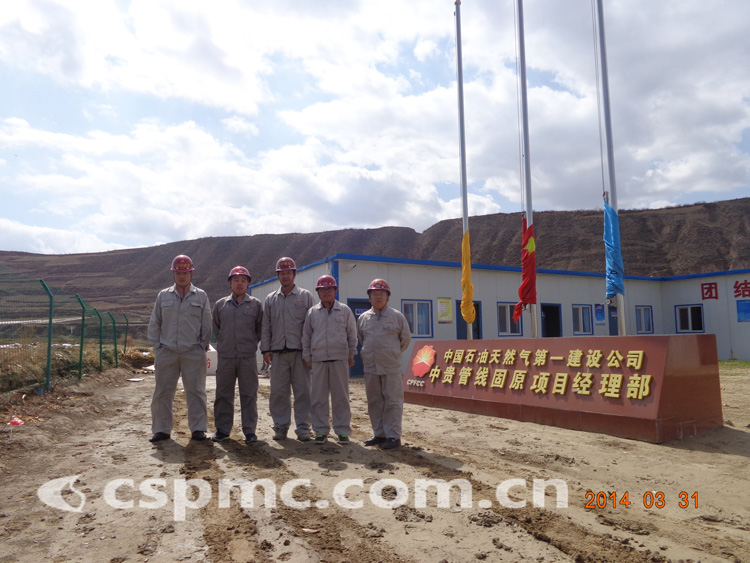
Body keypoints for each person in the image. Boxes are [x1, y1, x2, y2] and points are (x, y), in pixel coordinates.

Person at [147, 255, 212, 442]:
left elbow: (206, 323)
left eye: (185, 273)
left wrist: (201, 346)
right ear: (173, 274)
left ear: (191, 273)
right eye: (178, 273)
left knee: (196, 392)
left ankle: (198, 429)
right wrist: (158, 347)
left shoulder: (201, 296)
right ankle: (161, 430)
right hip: (167, 352)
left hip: (193, 352)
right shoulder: (163, 295)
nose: (182, 276)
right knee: (162, 392)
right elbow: (155, 322)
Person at [260, 257, 315, 441]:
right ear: (278, 275)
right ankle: (281, 427)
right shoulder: (270, 299)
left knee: (303, 392)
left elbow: (312, 325)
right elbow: (266, 325)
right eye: (282, 273)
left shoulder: (305, 296)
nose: (285, 276)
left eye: (288, 273)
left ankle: (303, 428)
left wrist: (310, 352)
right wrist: (265, 349)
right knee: (278, 393)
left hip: (300, 353)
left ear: (294, 274)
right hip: (277, 353)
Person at [302, 275, 357, 445]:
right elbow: (306, 337)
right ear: (318, 292)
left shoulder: (345, 311)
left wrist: (351, 354)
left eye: (329, 289)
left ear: (335, 291)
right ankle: (320, 431)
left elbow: (352, 334)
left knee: (341, 397)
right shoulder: (312, 312)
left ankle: (342, 431)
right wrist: (307, 357)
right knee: (318, 398)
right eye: (322, 290)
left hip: (339, 359)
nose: (326, 292)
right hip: (318, 360)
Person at [357, 279, 411, 450]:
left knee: (393, 401)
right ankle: (379, 434)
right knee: (374, 401)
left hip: (390, 366)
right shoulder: (364, 318)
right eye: (374, 294)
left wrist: (391, 354)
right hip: (371, 367)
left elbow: (405, 340)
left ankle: (393, 436)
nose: (378, 297)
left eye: (381, 294)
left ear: (388, 297)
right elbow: (362, 338)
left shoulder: (397, 317)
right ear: (369, 297)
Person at [211, 266, 263, 444]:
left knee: (249, 394)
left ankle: (250, 431)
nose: (239, 283)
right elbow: (216, 329)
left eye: (243, 280)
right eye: (236, 280)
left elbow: (259, 329)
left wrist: (250, 344)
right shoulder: (220, 305)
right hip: (226, 357)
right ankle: (223, 430)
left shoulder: (255, 304)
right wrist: (225, 344)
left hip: (247, 357)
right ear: (230, 283)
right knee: (223, 394)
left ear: (248, 283)